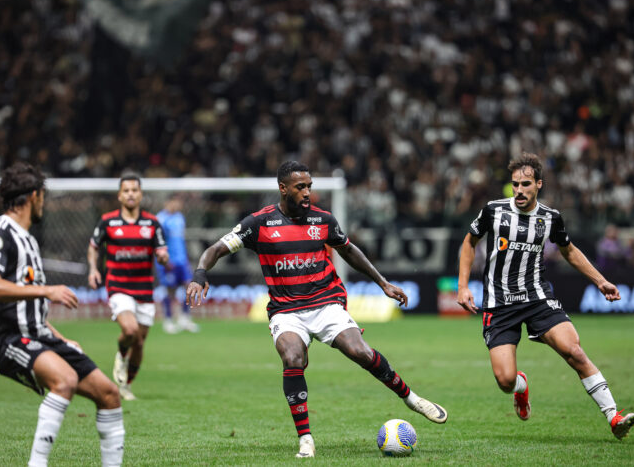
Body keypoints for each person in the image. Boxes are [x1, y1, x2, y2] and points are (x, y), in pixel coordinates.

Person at [186, 161, 447, 459]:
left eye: (309, 186)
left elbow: (348, 249)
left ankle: (412, 399)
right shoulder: (258, 223)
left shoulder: (323, 220)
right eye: (300, 187)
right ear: (283, 189)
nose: (307, 192)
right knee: (293, 357)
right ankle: (306, 438)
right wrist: (200, 275)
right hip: (286, 311)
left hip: (326, 303)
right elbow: (214, 249)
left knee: (359, 351)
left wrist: (383, 283)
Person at [456, 153, 634, 440]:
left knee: (574, 351)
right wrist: (463, 286)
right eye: (515, 184)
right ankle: (520, 386)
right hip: (499, 304)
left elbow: (569, 251)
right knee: (505, 380)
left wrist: (600, 281)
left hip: (538, 298)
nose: (519, 190)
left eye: (525, 184)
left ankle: (613, 416)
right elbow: (469, 243)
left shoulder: (551, 218)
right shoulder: (493, 211)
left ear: (538, 184)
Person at [0, 162, 124, 467]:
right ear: (34, 196)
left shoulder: (28, 239)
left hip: (39, 335)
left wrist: (61, 339)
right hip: (9, 339)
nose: (44, 203)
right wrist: (47, 291)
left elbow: (28, 311)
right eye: (43, 196)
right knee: (65, 380)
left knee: (109, 395)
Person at [87, 175, 169, 400]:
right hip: (118, 286)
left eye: (135, 190)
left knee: (140, 342)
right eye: (126, 190)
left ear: (141, 194)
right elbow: (93, 247)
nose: (131, 194)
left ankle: (126, 384)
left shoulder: (151, 223)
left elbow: (162, 250)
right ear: (119, 195)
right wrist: (93, 269)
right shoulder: (108, 222)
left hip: (144, 289)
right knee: (130, 331)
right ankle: (121, 355)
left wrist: (162, 257)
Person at [156, 194, 199, 334]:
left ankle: (184, 319)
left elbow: (180, 240)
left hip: (182, 260)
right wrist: (165, 260)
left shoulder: (180, 218)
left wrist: (186, 259)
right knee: (170, 290)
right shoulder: (160, 219)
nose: (176, 205)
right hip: (169, 261)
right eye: (174, 202)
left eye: (178, 202)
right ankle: (168, 321)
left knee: (189, 287)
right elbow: (158, 242)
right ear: (167, 203)